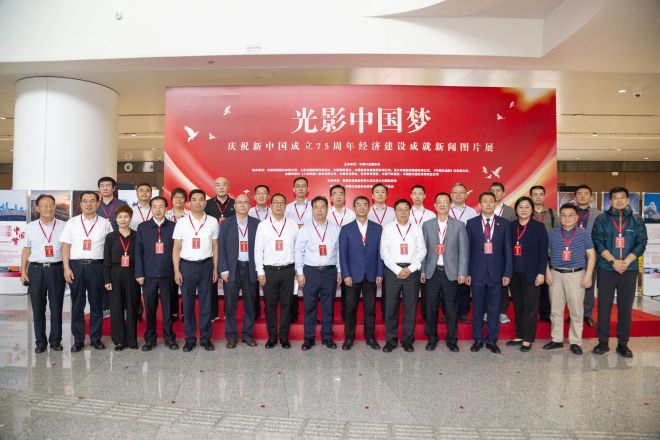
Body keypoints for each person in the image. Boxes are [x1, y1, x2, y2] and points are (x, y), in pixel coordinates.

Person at [592, 186, 648, 358]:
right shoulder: (602, 219)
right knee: (604, 307)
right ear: (610, 200)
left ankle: (623, 344)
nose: (618, 200)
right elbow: (598, 241)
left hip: (629, 270)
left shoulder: (637, 220)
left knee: (625, 308)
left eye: (622, 197)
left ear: (628, 199)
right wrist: (613, 261)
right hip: (607, 269)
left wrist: (627, 261)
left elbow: (641, 242)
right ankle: (603, 342)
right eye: (615, 198)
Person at [60, 191, 114, 352]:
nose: (89, 204)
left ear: (98, 203)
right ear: (80, 204)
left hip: (97, 267)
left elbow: (110, 249)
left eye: (92, 201)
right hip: (76, 266)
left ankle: (96, 339)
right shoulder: (72, 222)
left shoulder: (105, 223)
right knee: (77, 304)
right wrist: (66, 268)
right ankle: (78, 340)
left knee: (96, 304)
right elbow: (66, 246)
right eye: (85, 201)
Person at [544, 203, 596, 355]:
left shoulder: (584, 234)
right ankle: (556, 339)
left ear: (577, 217)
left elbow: (591, 255)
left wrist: (588, 274)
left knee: (576, 310)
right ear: (560, 217)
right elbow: (543, 254)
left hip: (576, 274)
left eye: (570, 215)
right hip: (555, 274)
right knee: (555, 309)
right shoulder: (552, 233)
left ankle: (575, 342)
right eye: (564, 215)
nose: (567, 218)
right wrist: (547, 272)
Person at [421, 192, 468, 353]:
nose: (442, 205)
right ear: (434, 205)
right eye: (439, 202)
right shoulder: (427, 225)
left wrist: (462, 272)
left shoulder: (459, 225)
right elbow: (423, 251)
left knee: (451, 309)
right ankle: (432, 339)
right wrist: (422, 271)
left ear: (450, 205)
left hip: (451, 273)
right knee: (431, 308)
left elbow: (463, 251)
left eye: (445, 202)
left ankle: (452, 340)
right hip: (432, 272)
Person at [173, 189, 219, 352]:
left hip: (206, 265)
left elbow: (215, 246)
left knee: (206, 303)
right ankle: (190, 338)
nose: (198, 202)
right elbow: (176, 248)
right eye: (194, 199)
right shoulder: (182, 222)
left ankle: (206, 338)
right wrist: (176, 270)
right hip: (187, 266)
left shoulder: (212, 221)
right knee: (188, 304)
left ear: (205, 202)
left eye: (201, 199)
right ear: (189, 202)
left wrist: (215, 268)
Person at [466, 192, 512, 354]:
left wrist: (507, 273)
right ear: (480, 204)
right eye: (484, 201)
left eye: (490, 201)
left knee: (494, 309)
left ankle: (492, 340)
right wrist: (467, 272)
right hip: (476, 272)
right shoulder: (471, 223)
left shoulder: (504, 223)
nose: (487, 204)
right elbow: (467, 250)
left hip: (497, 273)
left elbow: (508, 250)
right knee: (477, 308)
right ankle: (478, 339)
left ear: (495, 203)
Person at [20, 194, 66, 353]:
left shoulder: (64, 225)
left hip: (56, 269)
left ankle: (55, 341)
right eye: (45, 205)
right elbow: (26, 249)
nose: (49, 208)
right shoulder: (30, 227)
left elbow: (67, 248)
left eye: (51, 205)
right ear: (38, 208)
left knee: (56, 306)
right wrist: (23, 271)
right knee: (38, 307)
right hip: (36, 270)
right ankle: (40, 342)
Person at [380, 199, 426, 353]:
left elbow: (422, 250)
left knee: (410, 308)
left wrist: (410, 269)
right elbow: (384, 252)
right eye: (400, 209)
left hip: (411, 272)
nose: (403, 212)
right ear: (395, 211)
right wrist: (397, 269)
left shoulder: (417, 228)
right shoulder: (388, 228)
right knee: (391, 307)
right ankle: (391, 341)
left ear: (410, 211)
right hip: (393, 272)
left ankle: (407, 341)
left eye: (406, 209)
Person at [295, 196, 341, 350]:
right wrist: (299, 272)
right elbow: (298, 251)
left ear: (327, 209)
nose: (319, 210)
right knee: (309, 306)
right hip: (310, 272)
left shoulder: (335, 228)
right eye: (316, 207)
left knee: (328, 306)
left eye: (323, 207)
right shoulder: (305, 229)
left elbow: (339, 252)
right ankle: (309, 338)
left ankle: (327, 337)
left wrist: (339, 270)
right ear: (312, 209)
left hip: (329, 272)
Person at [338, 196, 383, 350]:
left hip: (371, 275)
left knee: (370, 309)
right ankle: (349, 338)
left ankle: (370, 337)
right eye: (358, 205)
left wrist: (380, 273)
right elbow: (342, 254)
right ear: (354, 208)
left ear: (369, 207)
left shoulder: (377, 228)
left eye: (365, 205)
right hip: (352, 276)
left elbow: (380, 253)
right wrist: (345, 274)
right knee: (350, 309)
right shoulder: (346, 228)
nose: (362, 207)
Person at [255, 193, 299, 349]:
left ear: (285, 206)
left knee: (287, 305)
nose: (279, 205)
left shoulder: (293, 224)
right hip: (269, 271)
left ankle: (284, 337)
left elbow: (298, 249)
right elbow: (258, 250)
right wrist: (260, 272)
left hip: (288, 270)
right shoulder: (263, 225)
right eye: (276, 203)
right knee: (270, 305)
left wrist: (298, 271)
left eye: (282, 203)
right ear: (271, 205)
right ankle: (272, 336)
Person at [135, 196, 178, 351]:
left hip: (168, 273)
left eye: (161, 206)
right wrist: (139, 273)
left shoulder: (174, 226)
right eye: (155, 207)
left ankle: (169, 337)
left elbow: (178, 250)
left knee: (168, 308)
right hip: (149, 275)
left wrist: (177, 271)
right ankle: (150, 338)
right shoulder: (143, 227)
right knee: (150, 308)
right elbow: (138, 252)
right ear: (151, 209)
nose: (158, 210)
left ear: (166, 209)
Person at [505, 197, 548, 352]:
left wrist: (541, 273)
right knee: (518, 305)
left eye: (527, 207)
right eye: (520, 207)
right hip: (514, 273)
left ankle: (528, 338)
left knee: (530, 306)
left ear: (532, 209)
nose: (523, 210)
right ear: (516, 210)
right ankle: (520, 335)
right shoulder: (510, 226)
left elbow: (543, 252)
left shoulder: (539, 227)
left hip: (532, 273)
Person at [218, 193, 260, 348]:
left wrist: (259, 270)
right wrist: (223, 269)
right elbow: (221, 247)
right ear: (234, 206)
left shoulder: (257, 224)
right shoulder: (226, 224)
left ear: (250, 206)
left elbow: (262, 248)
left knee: (250, 304)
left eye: (245, 202)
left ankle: (248, 335)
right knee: (230, 304)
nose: (242, 205)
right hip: (232, 269)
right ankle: (231, 336)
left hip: (250, 268)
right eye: (239, 202)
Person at [103, 205, 140, 351]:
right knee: (116, 308)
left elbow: (141, 257)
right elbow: (106, 259)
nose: (123, 219)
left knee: (132, 306)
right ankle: (118, 341)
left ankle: (132, 340)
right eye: (120, 217)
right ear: (116, 219)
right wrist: (107, 279)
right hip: (115, 273)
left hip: (132, 272)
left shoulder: (137, 235)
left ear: (130, 218)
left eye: (126, 216)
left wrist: (140, 274)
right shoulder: (110, 237)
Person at [205, 177, 236, 323]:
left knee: (229, 281)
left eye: (224, 184)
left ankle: (229, 313)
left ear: (229, 186)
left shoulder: (236, 204)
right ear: (214, 187)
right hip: (211, 246)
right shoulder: (207, 204)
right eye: (218, 185)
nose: (221, 187)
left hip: (230, 247)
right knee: (211, 280)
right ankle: (213, 313)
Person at [448, 183, 477, 324]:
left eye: (461, 192)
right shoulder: (446, 209)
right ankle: (448, 311)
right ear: (451, 195)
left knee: (464, 283)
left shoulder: (472, 212)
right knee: (448, 282)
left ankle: (463, 312)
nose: (458, 195)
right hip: (448, 251)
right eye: (455, 192)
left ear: (466, 195)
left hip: (466, 250)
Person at [284, 177, 312, 322]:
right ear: (293, 189)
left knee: (309, 284)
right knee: (292, 284)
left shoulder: (314, 206)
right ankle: (292, 314)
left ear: (308, 189)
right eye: (298, 186)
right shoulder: (287, 208)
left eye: (303, 186)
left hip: (310, 250)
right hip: (291, 248)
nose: (301, 188)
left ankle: (310, 315)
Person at [574, 184, 602, 327]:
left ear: (591, 197)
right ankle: (574, 313)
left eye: (586, 193)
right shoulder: (569, 211)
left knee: (589, 284)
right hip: (572, 254)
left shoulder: (599, 215)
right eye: (579, 193)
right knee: (573, 285)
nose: (582, 196)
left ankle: (587, 314)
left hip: (591, 254)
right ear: (575, 197)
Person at [489, 181, 516, 325]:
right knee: (488, 282)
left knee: (503, 283)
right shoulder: (484, 209)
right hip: (487, 253)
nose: (495, 193)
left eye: (498, 190)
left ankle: (503, 311)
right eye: (492, 190)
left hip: (504, 253)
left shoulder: (511, 211)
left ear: (503, 193)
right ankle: (487, 311)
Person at [367, 182, 395, 320]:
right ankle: (370, 314)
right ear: (372, 195)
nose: (380, 194)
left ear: (386, 195)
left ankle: (386, 313)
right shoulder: (366, 211)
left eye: (383, 192)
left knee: (388, 287)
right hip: (372, 253)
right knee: (370, 286)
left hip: (390, 253)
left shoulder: (393, 212)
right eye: (377, 192)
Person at [327, 184, 355, 321]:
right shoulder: (325, 213)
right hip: (329, 255)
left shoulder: (351, 214)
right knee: (328, 289)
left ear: (345, 197)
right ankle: (329, 316)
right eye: (335, 194)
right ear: (331, 197)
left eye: (341, 193)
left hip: (348, 255)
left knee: (347, 289)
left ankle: (346, 315)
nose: (338, 196)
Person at [529, 185, 556, 324]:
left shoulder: (551, 213)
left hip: (548, 254)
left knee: (546, 286)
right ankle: (531, 314)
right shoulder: (525, 212)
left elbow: (558, 233)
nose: (538, 197)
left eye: (540, 194)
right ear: (530, 196)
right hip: (530, 256)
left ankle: (545, 313)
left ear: (544, 196)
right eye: (535, 194)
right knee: (531, 286)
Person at [164, 187, 191, 321]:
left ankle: (185, 311)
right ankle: (173, 311)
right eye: (176, 197)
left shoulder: (190, 215)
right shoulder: (165, 215)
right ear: (172, 199)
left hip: (186, 253)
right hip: (169, 252)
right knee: (171, 285)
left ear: (185, 200)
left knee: (186, 285)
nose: (179, 199)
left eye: (182, 197)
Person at [410, 185, 436, 320]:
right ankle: (411, 315)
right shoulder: (406, 213)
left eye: (420, 193)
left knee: (427, 286)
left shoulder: (431, 214)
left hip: (428, 254)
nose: (417, 196)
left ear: (424, 196)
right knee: (411, 288)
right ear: (411, 196)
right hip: (410, 254)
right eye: (415, 193)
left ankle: (426, 314)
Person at [247, 184, 271, 319]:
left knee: (268, 284)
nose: (261, 196)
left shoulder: (274, 212)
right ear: (254, 196)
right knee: (253, 284)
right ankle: (255, 312)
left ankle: (269, 312)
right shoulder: (248, 211)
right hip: (251, 252)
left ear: (268, 196)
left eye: (264, 193)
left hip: (269, 253)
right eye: (259, 193)